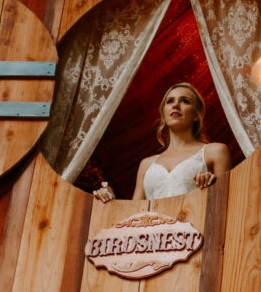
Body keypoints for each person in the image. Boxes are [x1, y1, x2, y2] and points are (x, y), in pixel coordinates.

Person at [93, 82, 231, 202]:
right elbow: (135, 214)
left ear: (196, 115)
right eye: (170, 101)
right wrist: (110, 202)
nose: (175, 105)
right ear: (164, 113)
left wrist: (211, 189)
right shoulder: (146, 164)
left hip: (194, 230)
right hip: (151, 231)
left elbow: (223, 206)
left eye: (185, 101)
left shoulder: (215, 152)